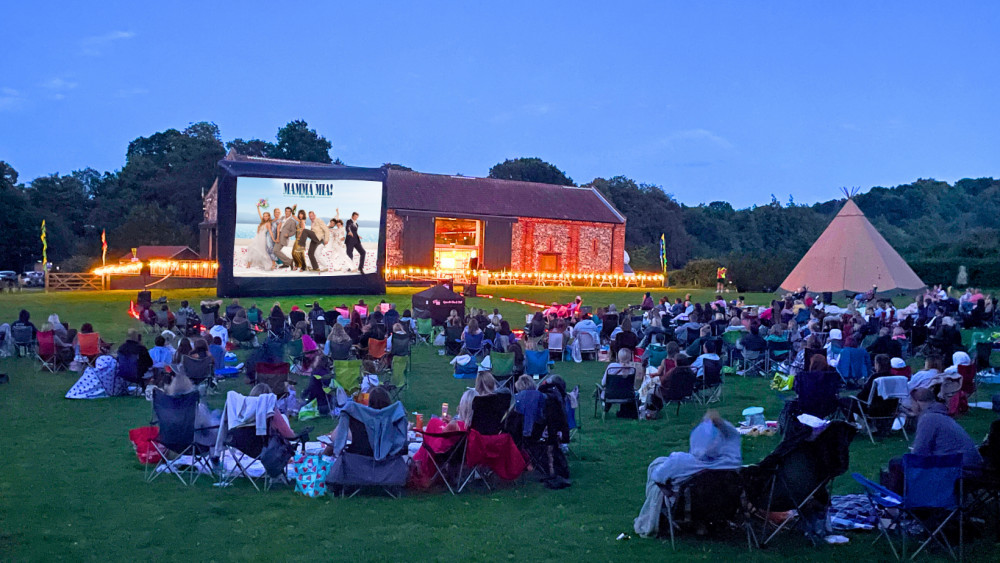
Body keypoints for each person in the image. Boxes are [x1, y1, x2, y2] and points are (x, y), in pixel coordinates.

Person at [634, 411, 742, 537]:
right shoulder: (730, 462)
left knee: (656, 470)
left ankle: (659, 519)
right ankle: (702, 524)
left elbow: (657, 477)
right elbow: (733, 436)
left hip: (686, 508)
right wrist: (721, 424)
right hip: (721, 506)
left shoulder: (680, 462)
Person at [882, 387, 985, 493]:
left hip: (959, 472)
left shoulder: (928, 419)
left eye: (911, 403)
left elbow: (919, 453)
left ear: (918, 403)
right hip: (970, 468)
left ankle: (894, 504)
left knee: (896, 464)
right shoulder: (940, 416)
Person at [246, 205, 277, 270]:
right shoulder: (262, 222)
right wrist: (258, 207)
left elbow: (270, 231)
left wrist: (274, 239)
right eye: (264, 216)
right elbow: (259, 214)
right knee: (251, 248)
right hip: (257, 238)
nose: (265, 217)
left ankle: (270, 264)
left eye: (266, 216)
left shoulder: (268, 223)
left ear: (269, 217)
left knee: (262, 251)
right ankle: (249, 264)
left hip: (262, 239)